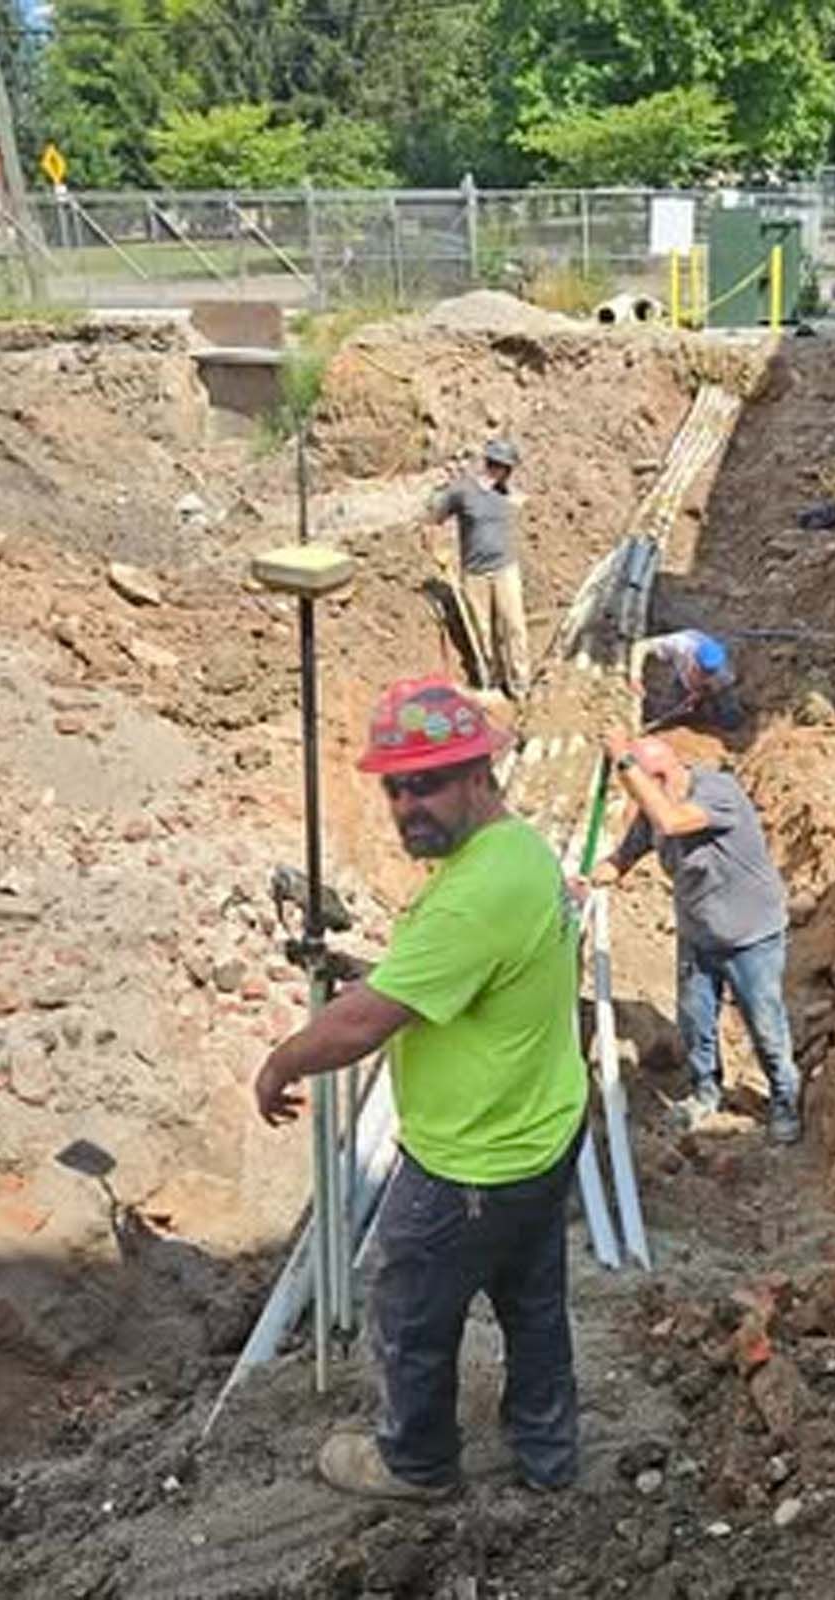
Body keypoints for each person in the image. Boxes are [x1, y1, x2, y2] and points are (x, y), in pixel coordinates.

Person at [254, 676, 588, 1499]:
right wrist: (385, 974)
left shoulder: (473, 896)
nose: (409, 805)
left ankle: (417, 1463)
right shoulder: (516, 850)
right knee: (533, 1300)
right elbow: (459, 976)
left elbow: (362, 1027)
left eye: (428, 782)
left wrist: (283, 1061)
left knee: (409, 1317)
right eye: (396, 787)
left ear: (480, 771)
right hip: (541, 1127)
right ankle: (549, 1454)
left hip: (470, 1160)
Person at [586, 732, 801, 1145]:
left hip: (749, 935)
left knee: (765, 1022)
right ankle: (706, 1092)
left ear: (662, 775)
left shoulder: (718, 793)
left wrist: (625, 764)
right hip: (698, 933)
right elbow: (623, 858)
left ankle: (784, 1099)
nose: (638, 800)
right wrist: (589, 880)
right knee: (695, 1020)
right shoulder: (653, 811)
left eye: (642, 787)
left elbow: (671, 820)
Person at [425, 439, 531, 699]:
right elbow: (432, 522)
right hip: (475, 573)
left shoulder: (505, 493)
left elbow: (523, 502)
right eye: (505, 468)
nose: (507, 474)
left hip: (506, 569)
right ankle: (490, 681)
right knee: (482, 631)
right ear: (494, 466)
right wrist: (438, 551)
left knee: (514, 626)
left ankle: (520, 685)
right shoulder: (462, 491)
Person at [627, 628, 741, 731]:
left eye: (706, 676)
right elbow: (641, 646)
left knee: (731, 720)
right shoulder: (679, 645)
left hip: (716, 686)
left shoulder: (723, 673)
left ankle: (706, 714)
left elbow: (715, 686)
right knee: (664, 712)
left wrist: (700, 693)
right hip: (684, 677)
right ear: (693, 661)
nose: (702, 677)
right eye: (699, 673)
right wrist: (635, 677)